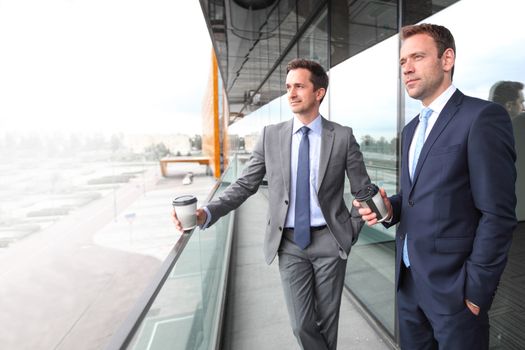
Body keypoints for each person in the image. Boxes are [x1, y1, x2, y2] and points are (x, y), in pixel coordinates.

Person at [173, 58, 370, 350]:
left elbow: (362, 189)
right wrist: (207, 212)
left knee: (328, 322)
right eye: (288, 86)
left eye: (299, 86)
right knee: (301, 324)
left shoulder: (341, 136)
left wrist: (351, 230)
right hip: (289, 243)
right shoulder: (270, 136)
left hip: (330, 241)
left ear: (319, 93)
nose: (291, 93)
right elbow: (245, 185)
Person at [354, 24, 517, 349]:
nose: (407, 69)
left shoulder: (482, 117)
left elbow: (497, 214)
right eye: (402, 62)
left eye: (417, 57)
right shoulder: (411, 129)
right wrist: (389, 209)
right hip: (409, 283)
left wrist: (475, 291)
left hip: (455, 292)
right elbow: (418, 197)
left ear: (447, 59)